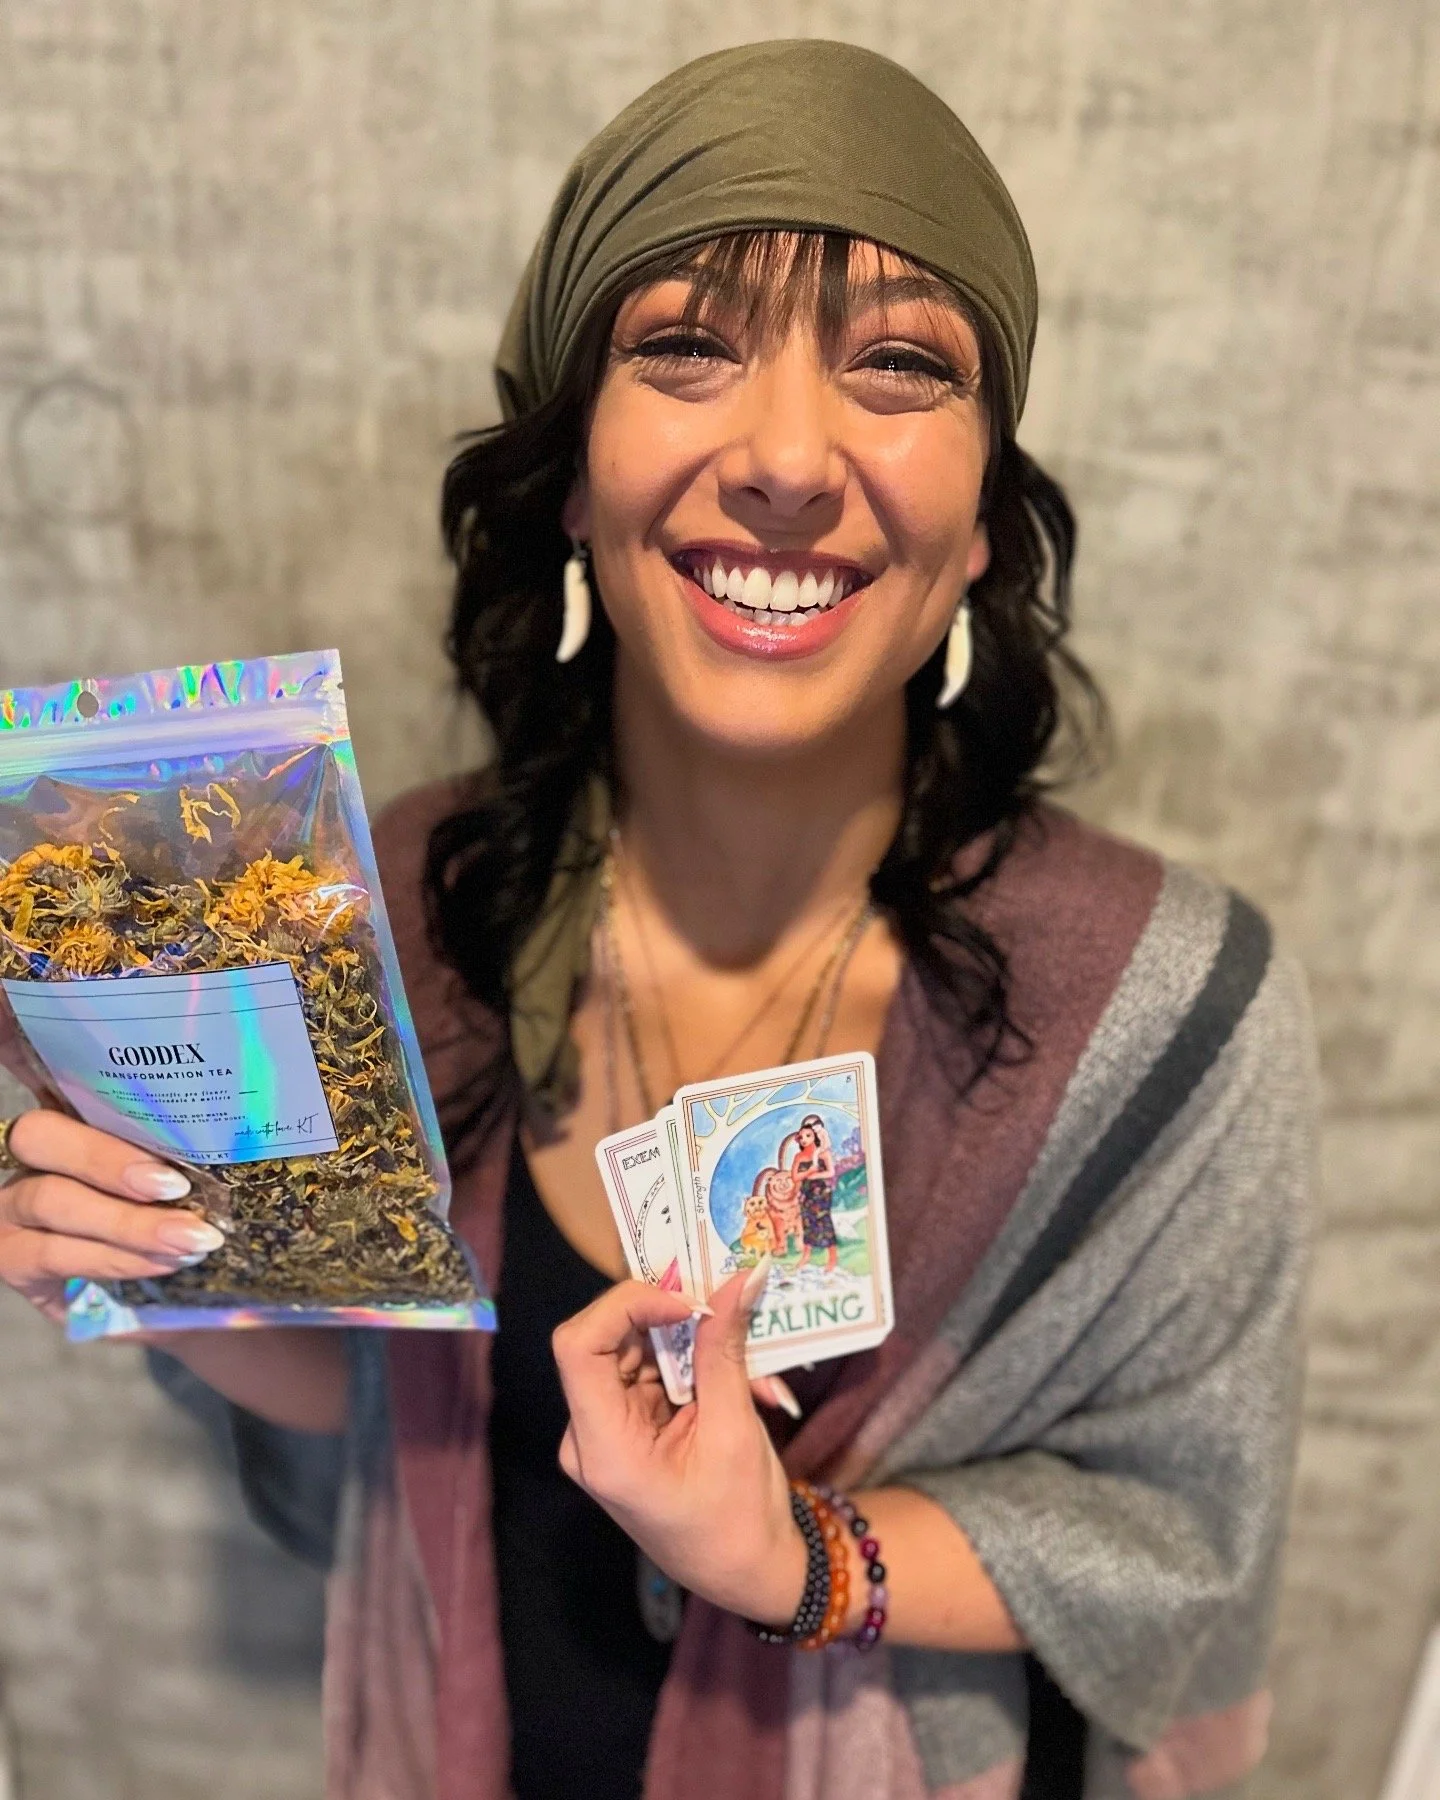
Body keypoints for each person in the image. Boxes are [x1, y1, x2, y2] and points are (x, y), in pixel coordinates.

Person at [0, 39, 1314, 1800]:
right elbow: (374, 1434)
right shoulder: (379, 905)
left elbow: (1182, 1546)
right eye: (685, 347)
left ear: (985, 522)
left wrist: (796, 1557)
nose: (786, 454)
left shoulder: (1166, 1009)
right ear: (568, 473)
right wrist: (164, 1267)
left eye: (902, 367)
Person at [785, 1117, 839, 1276]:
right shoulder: (799, 1157)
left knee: (824, 1223)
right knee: (807, 1223)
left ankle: (832, 1257)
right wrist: (809, 1172)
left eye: (808, 1135)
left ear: (815, 1136)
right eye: (801, 1137)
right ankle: (806, 1255)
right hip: (806, 1194)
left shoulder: (823, 1154)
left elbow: (831, 1172)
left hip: (821, 1193)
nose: (804, 1139)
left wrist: (814, 1175)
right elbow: (795, 1177)